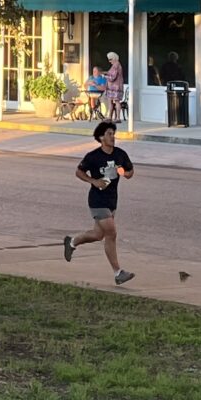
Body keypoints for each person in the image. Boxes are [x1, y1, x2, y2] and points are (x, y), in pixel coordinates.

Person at [63, 119, 134, 284]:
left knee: (98, 234)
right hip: (97, 200)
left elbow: (130, 172)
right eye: (109, 134)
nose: (112, 137)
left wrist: (121, 171)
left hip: (112, 200)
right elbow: (78, 172)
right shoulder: (93, 156)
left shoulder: (120, 154)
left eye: (113, 134)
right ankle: (118, 273)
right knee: (111, 233)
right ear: (101, 137)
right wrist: (93, 181)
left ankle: (72, 242)